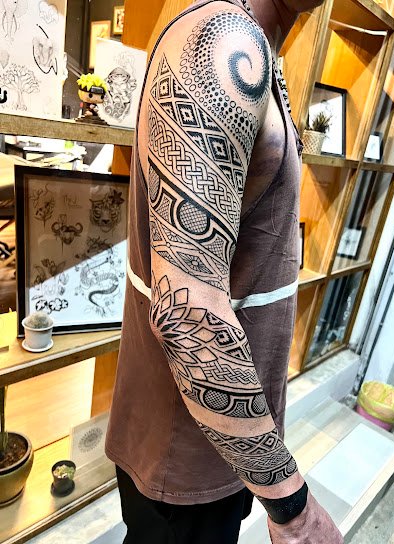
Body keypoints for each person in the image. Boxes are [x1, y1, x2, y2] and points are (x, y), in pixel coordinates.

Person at [105, 1, 344, 543]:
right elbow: (188, 317)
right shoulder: (224, 42)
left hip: (216, 448)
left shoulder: (254, 47)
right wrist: (295, 511)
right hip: (184, 458)